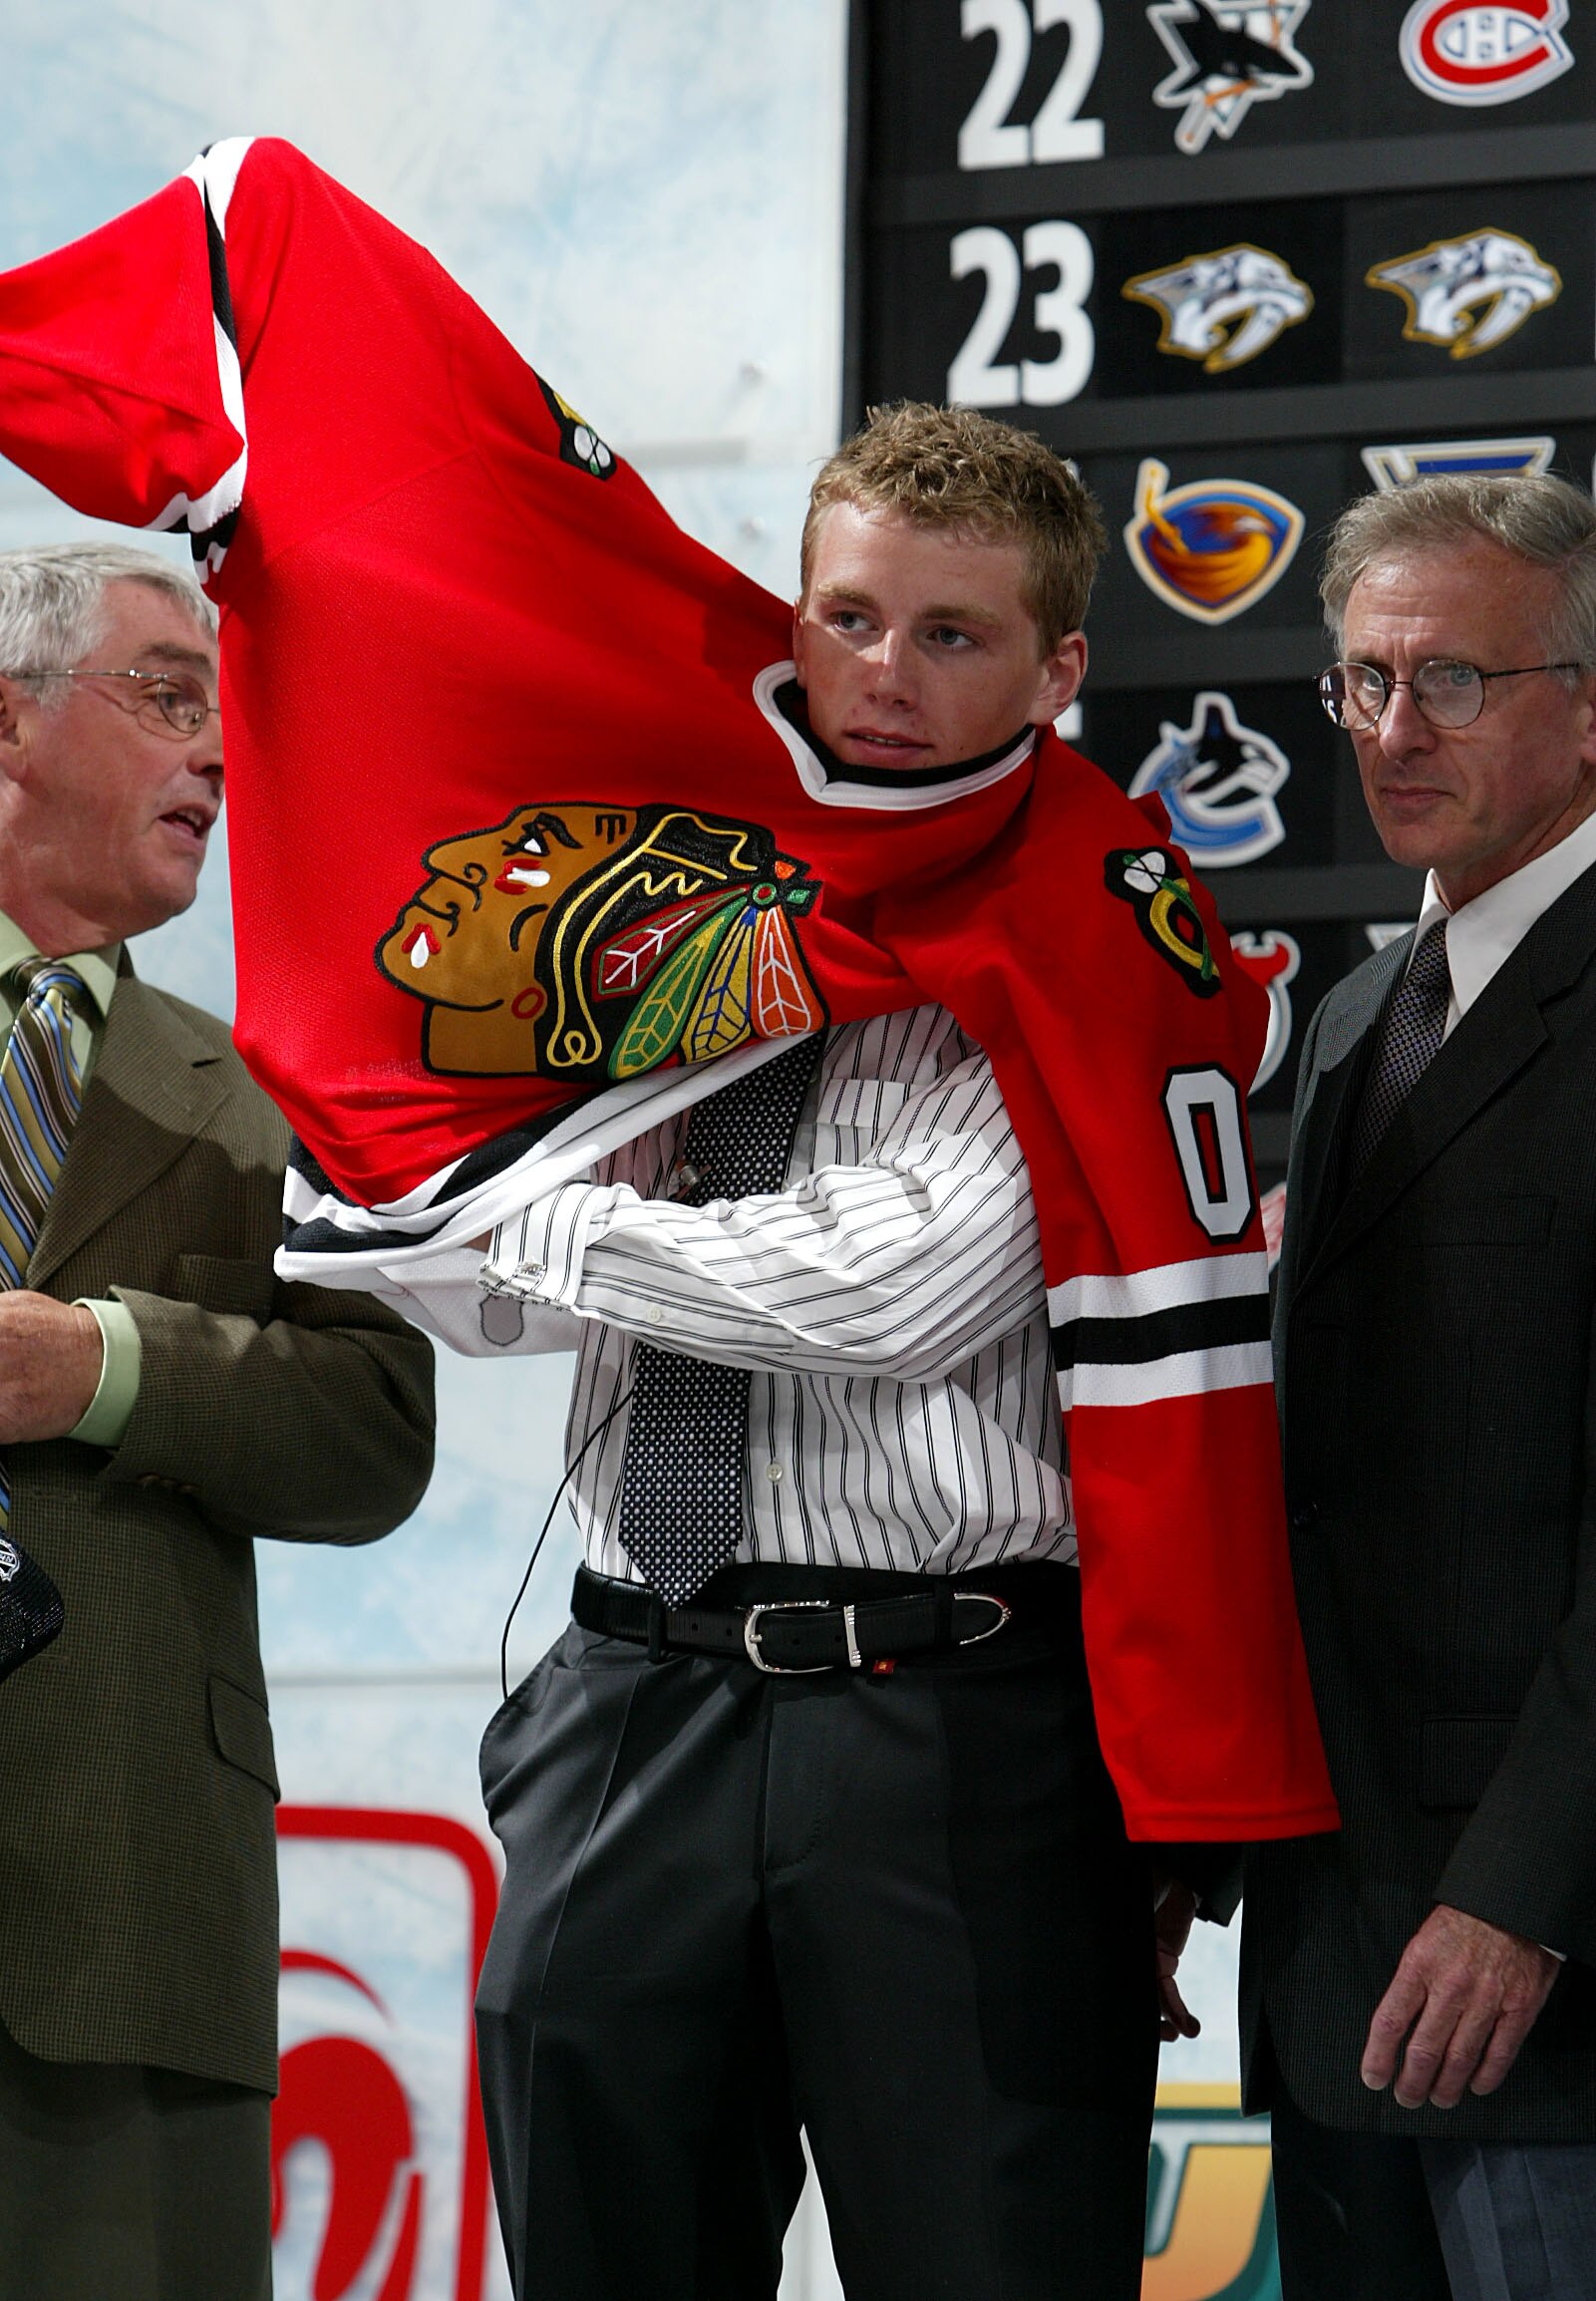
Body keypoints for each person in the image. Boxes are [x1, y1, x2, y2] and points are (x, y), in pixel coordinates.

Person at [379, 403, 1294, 2301]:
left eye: (951, 638)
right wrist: (480, 1217)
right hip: (630, 1694)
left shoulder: (1089, 928)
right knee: (598, 2257)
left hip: (950, 1728)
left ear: (1058, 672)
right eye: (849, 619)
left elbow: (880, 1299)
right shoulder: (680, 882)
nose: (883, 677)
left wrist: (517, 1208)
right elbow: (454, 1295)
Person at [0, 542, 436, 2301]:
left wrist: (103, 1367)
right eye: (169, 698)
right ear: (9, 727)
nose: (213, 760)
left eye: (226, 720)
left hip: (123, 1899)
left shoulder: (281, 1089)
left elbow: (376, 1426)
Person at [1243, 472, 1596, 2300]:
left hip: (1542, 1975)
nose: (1392, 730)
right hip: (1330, 1954)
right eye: (1361, 683)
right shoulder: (1352, 1009)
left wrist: (1523, 1896)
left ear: (1589, 701)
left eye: (1450, 680)